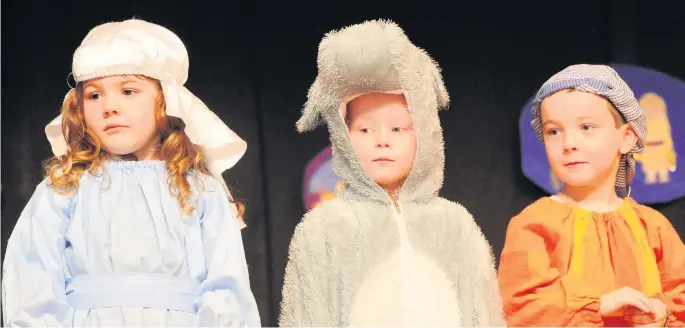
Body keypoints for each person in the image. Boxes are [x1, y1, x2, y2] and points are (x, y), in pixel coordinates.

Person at [2, 18, 261, 327]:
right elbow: (33, 278)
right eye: (94, 95)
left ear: (166, 101)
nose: (109, 106)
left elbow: (227, 285)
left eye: (128, 91)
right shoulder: (64, 188)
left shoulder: (201, 191)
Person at [279, 19, 505, 327]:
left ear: (424, 132)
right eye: (365, 128)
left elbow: (484, 315)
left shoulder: (454, 225)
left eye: (398, 128)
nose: (381, 140)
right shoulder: (323, 230)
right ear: (343, 136)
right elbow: (306, 317)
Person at [498, 64, 685, 326]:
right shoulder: (534, 224)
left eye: (586, 127)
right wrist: (599, 306)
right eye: (554, 131)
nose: (569, 144)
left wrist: (662, 312)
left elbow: (681, 291)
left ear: (627, 137)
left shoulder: (652, 226)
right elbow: (523, 304)